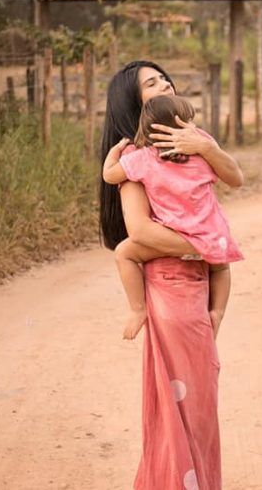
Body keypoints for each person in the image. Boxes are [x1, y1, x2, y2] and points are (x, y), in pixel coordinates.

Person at [99, 61, 243, 490]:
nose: (164, 83)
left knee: (193, 400)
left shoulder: (196, 148)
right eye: (151, 83)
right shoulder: (138, 162)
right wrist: (204, 247)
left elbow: (236, 176)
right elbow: (139, 232)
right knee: (186, 403)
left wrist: (205, 147)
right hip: (173, 289)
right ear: (136, 106)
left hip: (193, 287)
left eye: (164, 79)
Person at [102, 94, 243, 342]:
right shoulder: (202, 153)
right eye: (190, 121)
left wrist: (115, 151)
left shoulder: (143, 158)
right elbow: (233, 178)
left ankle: (137, 310)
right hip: (211, 235)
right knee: (221, 267)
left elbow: (110, 176)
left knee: (124, 253)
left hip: (173, 235)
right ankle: (218, 311)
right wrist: (204, 146)